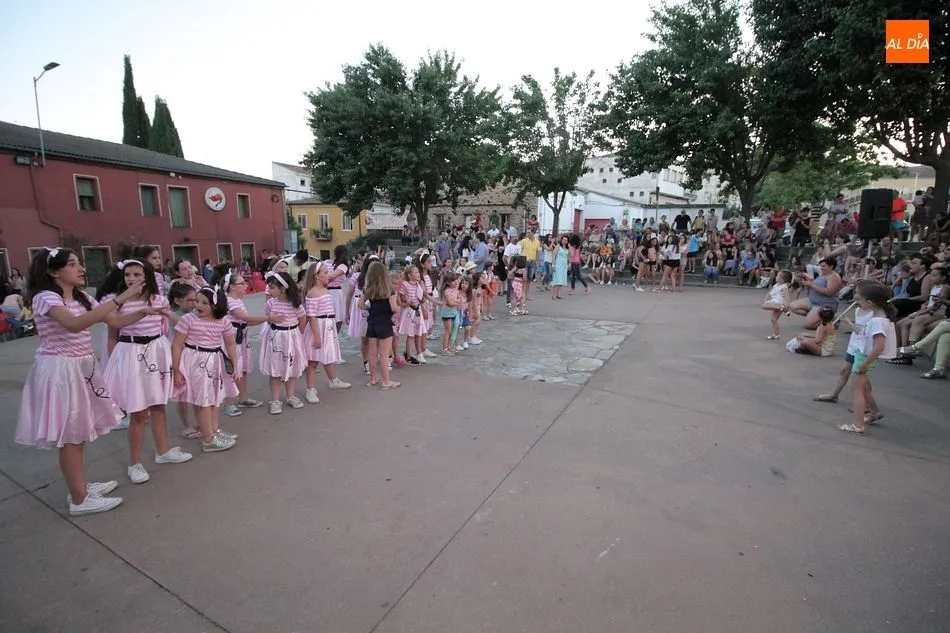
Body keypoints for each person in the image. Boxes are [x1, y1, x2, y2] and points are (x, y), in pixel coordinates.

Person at [15, 248, 146, 516]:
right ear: (53, 271)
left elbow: (115, 320)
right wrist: (121, 298)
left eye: (79, 263)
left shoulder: (82, 297)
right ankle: (79, 499)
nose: (81, 268)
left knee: (78, 432)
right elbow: (74, 325)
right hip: (61, 370)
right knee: (71, 435)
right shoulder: (46, 298)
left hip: (82, 366)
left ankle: (80, 487)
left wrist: (145, 312)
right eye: (72, 264)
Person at [103, 259, 192, 484]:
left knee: (158, 405)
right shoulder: (117, 303)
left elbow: (166, 330)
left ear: (148, 276)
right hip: (131, 355)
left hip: (156, 352)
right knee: (139, 413)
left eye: (137, 274)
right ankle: (135, 463)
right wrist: (115, 365)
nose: (132, 279)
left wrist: (172, 361)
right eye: (128, 275)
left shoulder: (159, 300)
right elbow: (112, 336)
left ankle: (163, 451)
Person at [171, 286, 239, 452]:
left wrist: (235, 366)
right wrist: (176, 370)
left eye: (204, 303)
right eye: (197, 301)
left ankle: (214, 431)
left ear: (216, 306)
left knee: (214, 399)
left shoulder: (223, 322)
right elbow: (177, 345)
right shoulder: (188, 319)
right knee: (203, 402)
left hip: (215, 361)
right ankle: (208, 439)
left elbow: (230, 343)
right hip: (196, 362)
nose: (198, 305)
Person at [837, 281, 897, 435]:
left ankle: (858, 424)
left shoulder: (877, 321)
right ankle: (873, 413)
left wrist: (866, 363)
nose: (858, 302)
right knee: (862, 388)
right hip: (863, 356)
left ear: (870, 302)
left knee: (857, 391)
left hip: (864, 357)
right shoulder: (880, 318)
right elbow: (865, 335)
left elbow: (879, 346)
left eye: (860, 300)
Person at [217, 269, 270, 417]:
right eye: (242, 283)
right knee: (231, 370)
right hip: (232, 340)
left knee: (244, 369)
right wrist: (268, 318)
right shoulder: (229, 300)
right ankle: (229, 403)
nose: (246, 285)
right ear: (232, 287)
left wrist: (263, 320)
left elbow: (246, 322)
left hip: (242, 337)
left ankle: (243, 398)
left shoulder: (238, 301)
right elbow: (245, 317)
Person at [302, 261, 352, 403]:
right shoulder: (313, 293)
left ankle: (333, 380)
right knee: (313, 361)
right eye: (325, 272)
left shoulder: (325, 289)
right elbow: (311, 316)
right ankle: (310, 389)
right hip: (318, 327)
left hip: (327, 326)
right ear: (316, 276)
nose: (328, 275)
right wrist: (317, 336)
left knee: (328, 355)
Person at [260, 271, 307, 414]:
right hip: (275, 338)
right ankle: (275, 400)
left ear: (283, 288)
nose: (269, 290)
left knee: (291, 368)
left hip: (291, 337)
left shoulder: (295, 304)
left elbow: (303, 320)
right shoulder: (270, 303)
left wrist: (297, 335)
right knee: (275, 370)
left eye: (272, 287)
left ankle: (290, 396)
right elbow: (267, 317)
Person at [788, 258, 842, 329]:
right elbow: (813, 285)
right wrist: (805, 281)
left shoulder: (834, 277)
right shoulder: (822, 274)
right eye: (821, 266)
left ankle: (830, 321)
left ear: (831, 266)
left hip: (825, 304)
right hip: (812, 301)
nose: (821, 268)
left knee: (809, 325)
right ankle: (820, 317)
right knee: (792, 306)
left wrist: (811, 284)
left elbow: (829, 292)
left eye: (823, 266)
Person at [397, 263, 429, 365]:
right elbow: (401, 296)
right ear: (410, 275)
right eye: (415, 272)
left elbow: (423, 298)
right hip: (409, 311)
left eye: (418, 272)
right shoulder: (405, 284)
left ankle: (419, 353)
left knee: (419, 332)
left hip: (418, 310)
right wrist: (406, 301)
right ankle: (409, 355)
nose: (418, 273)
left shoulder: (419, 284)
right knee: (410, 334)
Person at [762, 270, 792, 340]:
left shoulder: (784, 287)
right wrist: (765, 300)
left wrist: (786, 305)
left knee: (772, 317)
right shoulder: (776, 285)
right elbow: (769, 293)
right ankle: (776, 335)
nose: (776, 276)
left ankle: (781, 308)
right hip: (775, 303)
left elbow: (787, 297)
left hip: (779, 303)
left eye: (778, 276)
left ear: (782, 279)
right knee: (773, 320)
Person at [439, 271, 461, 355]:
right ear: (448, 282)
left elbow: (458, 300)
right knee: (447, 331)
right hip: (447, 313)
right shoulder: (447, 291)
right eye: (453, 280)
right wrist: (456, 302)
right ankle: (445, 349)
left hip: (453, 312)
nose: (456, 282)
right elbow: (450, 303)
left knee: (452, 330)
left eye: (456, 280)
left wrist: (455, 302)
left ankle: (449, 347)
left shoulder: (455, 290)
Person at [552, 235, 569, 299]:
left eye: (566, 240)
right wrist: (553, 265)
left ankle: (558, 294)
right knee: (557, 279)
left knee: (561, 280)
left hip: (564, 265)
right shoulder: (558, 246)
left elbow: (569, 256)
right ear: (561, 240)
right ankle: (553, 295)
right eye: (564, 240)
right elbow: (554, 255)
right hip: (558, 264)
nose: (564, 241)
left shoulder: (567, 248)